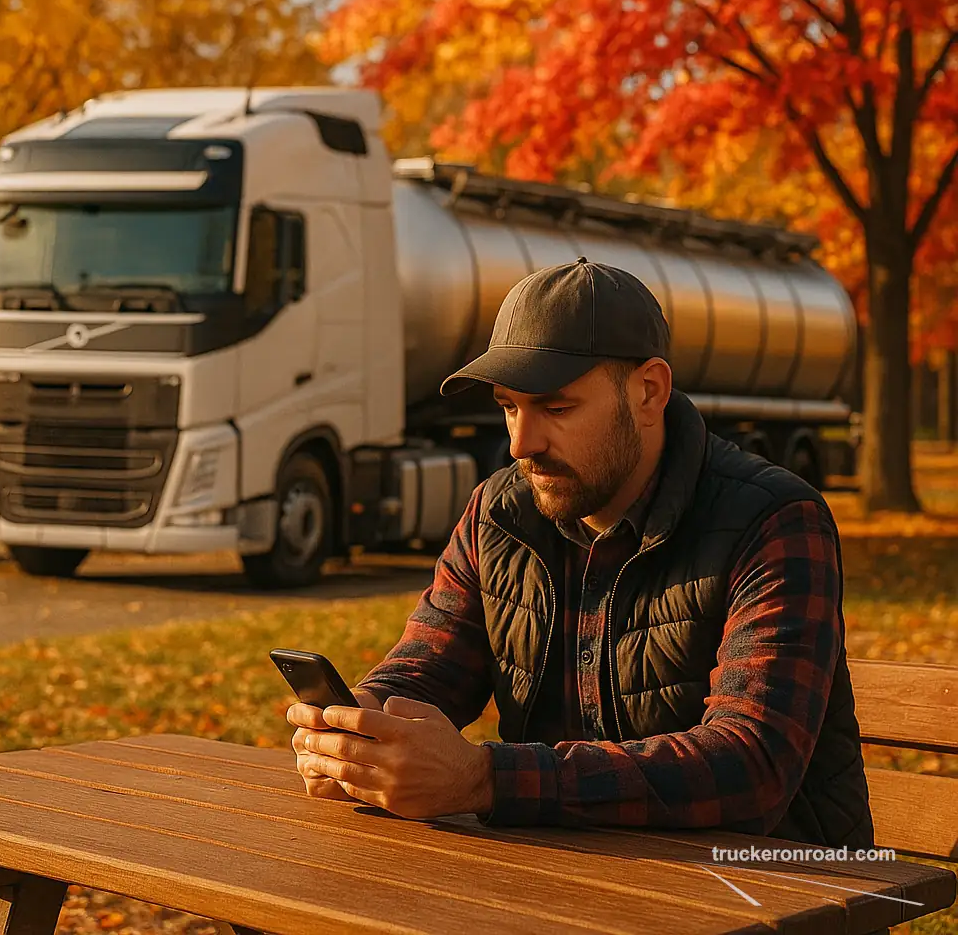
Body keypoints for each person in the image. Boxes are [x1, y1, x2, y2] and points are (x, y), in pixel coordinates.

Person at [287, 257, 874, 846]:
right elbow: (429, 666)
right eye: (509, 407)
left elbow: (751, 764)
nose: (521, 444)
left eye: (556, 408)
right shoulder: (498, 514)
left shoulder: (773, 521)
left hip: (780, 877)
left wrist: (485, 780)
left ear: (649, 392)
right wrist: (360, 724)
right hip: (566, 869)